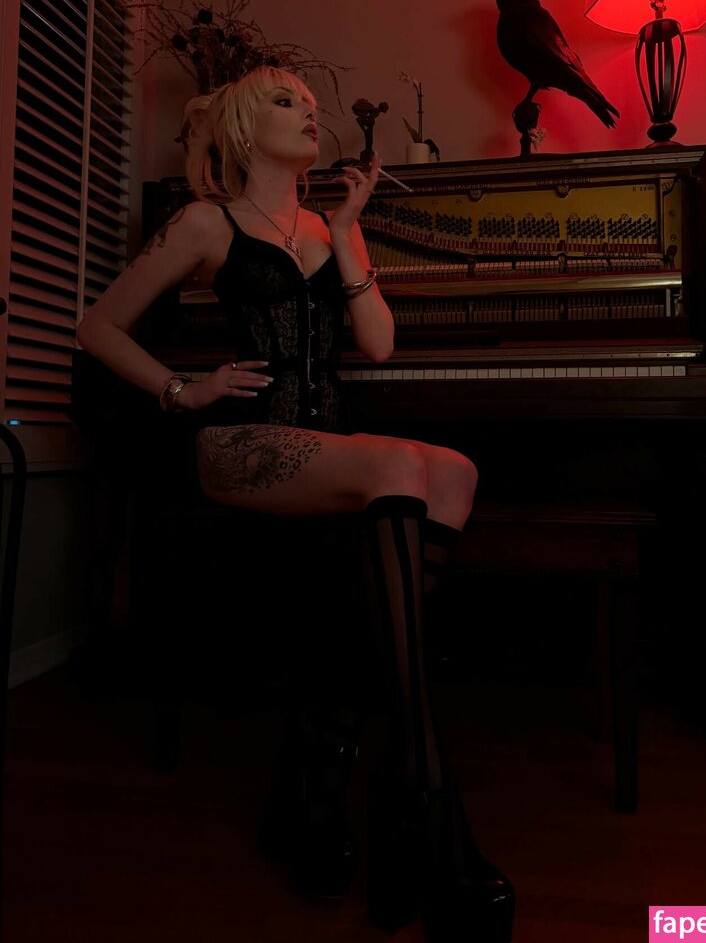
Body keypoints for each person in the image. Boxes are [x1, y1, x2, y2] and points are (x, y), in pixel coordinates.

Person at [76, 65, 515, 942]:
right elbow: (96, 327)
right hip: (241, 443)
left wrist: (348, 234)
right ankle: (420, 784)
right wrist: (181, 390)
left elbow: (377, 345)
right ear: (243, 127)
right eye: (286, 103)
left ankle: (322, 769)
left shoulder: (323, 226)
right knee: (401, 464)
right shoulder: (207, 221)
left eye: (313, 107)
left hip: (328, 448)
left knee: (456, 472)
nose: (310, 115)